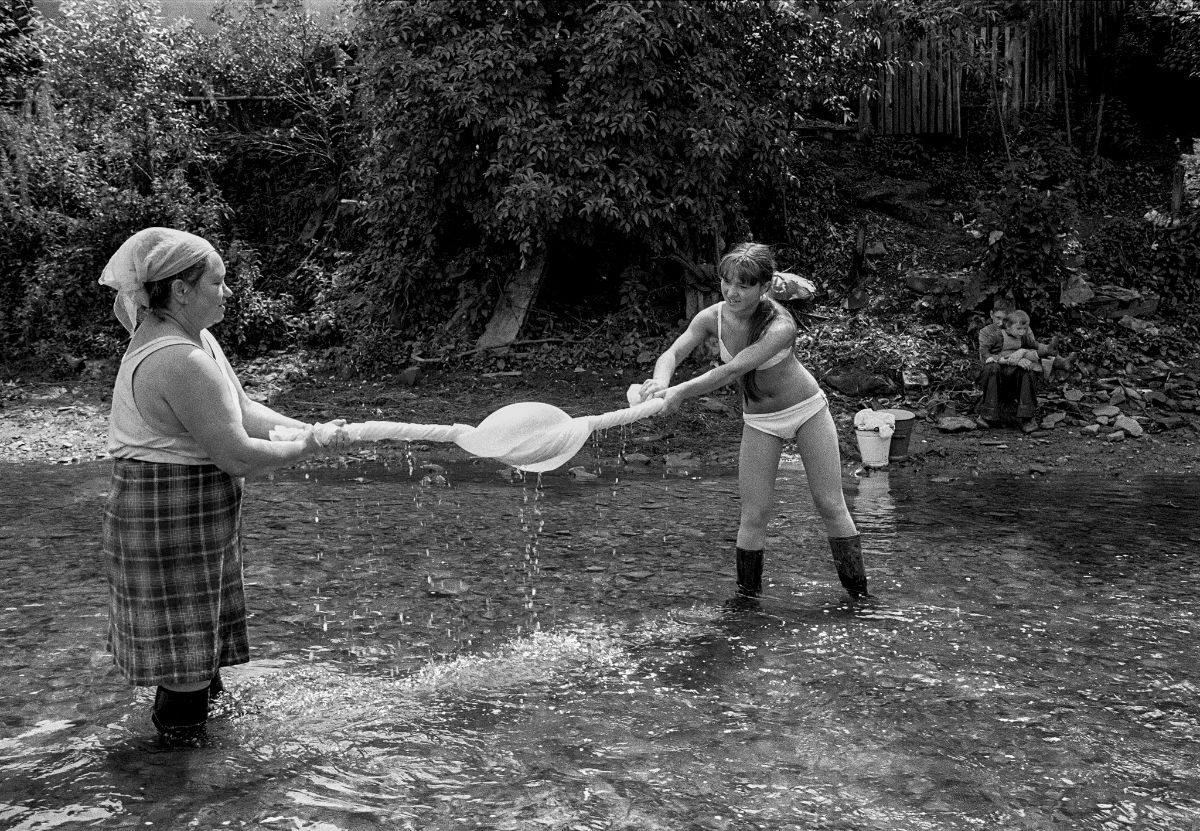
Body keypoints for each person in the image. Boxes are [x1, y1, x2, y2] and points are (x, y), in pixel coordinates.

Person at [98, 227, 349, 743]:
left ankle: (198, 760)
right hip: (168, 517)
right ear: (183, 289)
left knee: (196, 650)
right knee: (186, 664)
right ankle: (179, 781)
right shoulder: (177, 359)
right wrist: (307, 450)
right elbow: (237, 455)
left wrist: (311, 431)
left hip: (182, 512)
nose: (229, 292)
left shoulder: (197, 341)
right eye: (220, 281)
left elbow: (244, 411)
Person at [636, 242, 866, 599]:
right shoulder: (711, 317)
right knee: (754, 514)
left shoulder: (780, 325)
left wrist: (680, 393)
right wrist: (662, 382)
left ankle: (859, 598)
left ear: (764, 287)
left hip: (806, 411)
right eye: (727, 282)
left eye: (743, 285)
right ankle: (747, 603)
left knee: (829, 503)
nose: (732, 292)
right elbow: (674, 351)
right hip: (760, 420)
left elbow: (734, 369)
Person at [976, 302, 1063, 432]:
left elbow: (1033, 347)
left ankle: (1027, 417)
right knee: (991, 368)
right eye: (998, 318)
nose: (1001, 323)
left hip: (1014, 375)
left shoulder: (1021, 331)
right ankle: (987, 415)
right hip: (997, 374)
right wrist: (1011, 359)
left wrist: (1042, 350)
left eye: (1004, 319)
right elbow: (985, 356)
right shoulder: (990, 333)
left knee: (1028, 371)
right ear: (991, 315)